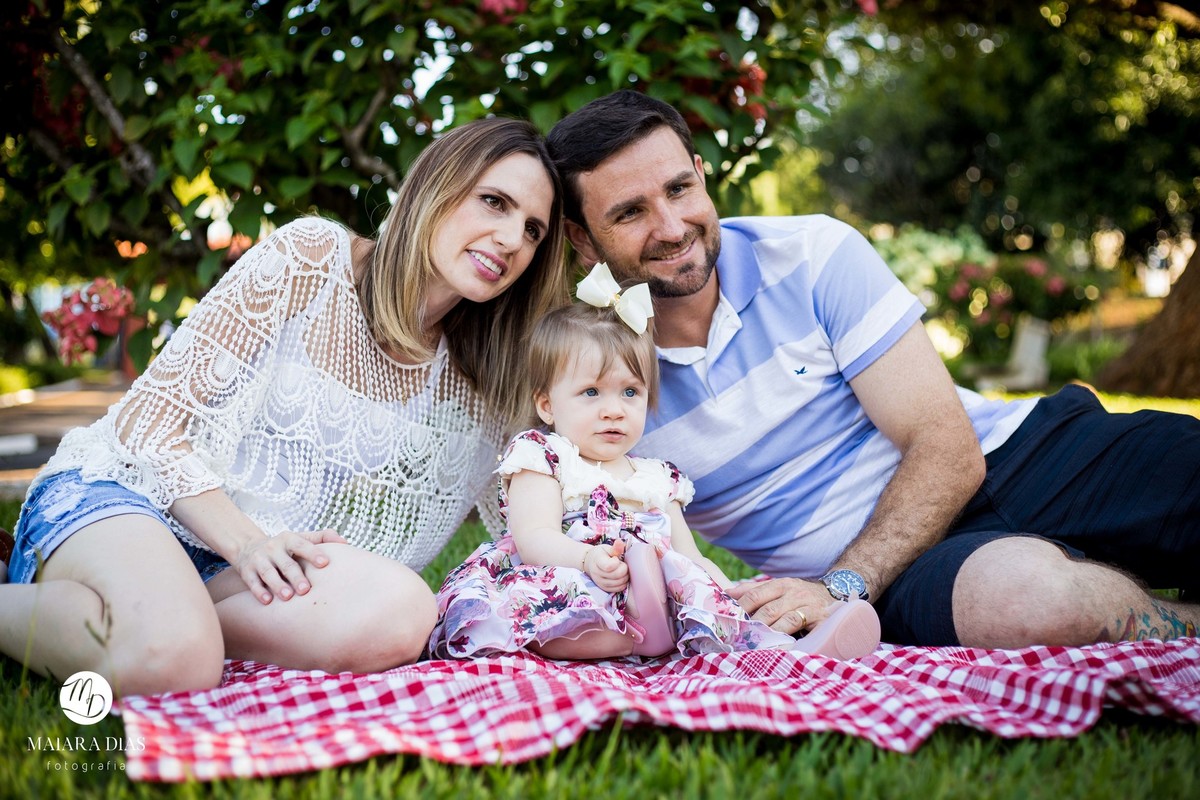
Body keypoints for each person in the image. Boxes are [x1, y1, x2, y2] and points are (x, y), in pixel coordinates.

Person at [544, 89, 1200, 650]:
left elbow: (946, 447)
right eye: (629, 212)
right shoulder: (589, 374)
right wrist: (843, 587)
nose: (670, 227)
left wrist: (840, 586)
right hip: (895, 570)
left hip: (1019, 456)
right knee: (1033, 603)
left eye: (679, 189)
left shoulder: (811, 254)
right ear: (581, 238)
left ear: (700, 174)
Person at [0, 116, 567, 696]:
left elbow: (533, 524)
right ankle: (125, 623)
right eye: (494, 202)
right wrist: (247, 543)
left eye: (533, 231)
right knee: (177, 662)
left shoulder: (485, 378)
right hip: (131, 499)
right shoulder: (312, 259)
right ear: (436, 185)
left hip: (240, 574)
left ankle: (158, 619)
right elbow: (147, 424)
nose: (511, 240)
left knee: (404, 612)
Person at [427, 263, 879, 661]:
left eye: (630, 392)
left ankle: (796, 646)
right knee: (553, 608)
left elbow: (688, 554)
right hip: (569, 582)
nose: (614, 410)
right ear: (547, 405)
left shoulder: (656, 479)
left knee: (704, 593)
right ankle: (623, 634)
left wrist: (728, 593)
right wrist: (587, 558)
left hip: (652, 594)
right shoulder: (544, 457)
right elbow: (534, 538)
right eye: (591, 392)